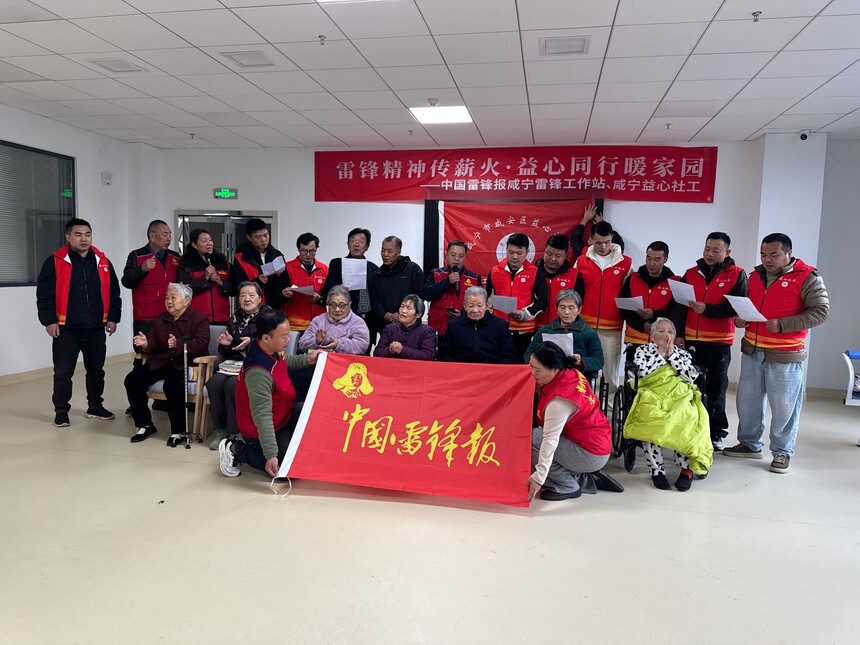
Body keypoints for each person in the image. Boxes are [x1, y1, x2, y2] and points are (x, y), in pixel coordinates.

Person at [724, 233, 829, 474]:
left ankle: (782, 451)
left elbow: (821, 312)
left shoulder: (808, 277)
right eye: (763, 254)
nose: (767, 260)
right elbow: (746, 306)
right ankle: (750, 444)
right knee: (747, 402)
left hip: (785, 354)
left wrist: (783, 324)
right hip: (752, 349)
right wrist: (740, 320)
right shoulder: (754, 276)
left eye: (774, 254)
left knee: (784, 407)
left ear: (788, 254)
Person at [36, 218, 122, 427]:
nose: (84, 239)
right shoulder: (55, 261)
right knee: (63, 373)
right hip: (66, 329)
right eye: (78, 235)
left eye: (87, 235)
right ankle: (61, 412)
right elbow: (44, 295)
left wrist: (113, 318)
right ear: (68, 237)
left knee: (96, 370)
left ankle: (95, 406)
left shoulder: (102, 261)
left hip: (96, 327)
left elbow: (114, 292)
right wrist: (49, 321)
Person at [218, 308, 320, 478]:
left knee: (310, 412)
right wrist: (271, 454)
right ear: (266, 338)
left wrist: (307, 359)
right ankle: (236, 449)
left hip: (282, 413)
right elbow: (262, 417)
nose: (288, 340)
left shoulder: (268, 348)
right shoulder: (258, 372)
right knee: (286, 469)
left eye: (288, 334)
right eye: (284, 336)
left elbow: (283, 362)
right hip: (262, 426)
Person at [672, 232, 748, 451]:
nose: (710, 253)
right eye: (707, 248)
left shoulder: (737, 274)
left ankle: (715, 433)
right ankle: (688, 428)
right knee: (688, 387)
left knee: (716, 389)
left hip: (718, 342)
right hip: (690, 340)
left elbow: (735, 306)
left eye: (716, 250)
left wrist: (708, 309)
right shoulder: (691, 273)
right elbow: (680, 306)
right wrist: (679, 334)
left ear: (727, 252)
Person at [623, 318, 713, 491]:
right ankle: (656, 471)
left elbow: (691, 376)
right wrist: (660, 354)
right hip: (651, 391)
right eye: (661, 331)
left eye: (670, 332)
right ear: (652, 335)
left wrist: (671, 356)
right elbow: (642, 373)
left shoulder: (682, 354)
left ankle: (686, 470)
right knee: (650, 416)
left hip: (678, 393)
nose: (666, 335)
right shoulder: (643, 350)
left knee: (686, 417)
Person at [527, 342, 623, 502]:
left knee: (532, 440)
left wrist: (539, 477)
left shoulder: (559, 401)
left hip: (589, 452)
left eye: (537, 370)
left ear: (554, 369)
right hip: (598, 440)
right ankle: (582, 475)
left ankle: (567, 484)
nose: (532, 373)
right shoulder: (571, 372)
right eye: (531, 367)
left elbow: (549, 441)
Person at [124, 283, 210, 446]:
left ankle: (179, 431)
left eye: (173, 297)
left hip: (184, 363)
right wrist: (146, 344)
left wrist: (178, 344)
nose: (169, 301)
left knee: (172, 385)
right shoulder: (160, 319)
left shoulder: (199, 319)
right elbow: (154, 343)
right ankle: (145, 425)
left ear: (186, 301)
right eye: (166, 298)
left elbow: (201, 344)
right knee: (132, 380)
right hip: (161, 362)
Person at [205, 281, 270, 450]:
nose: (247, 299)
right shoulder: (234, 318)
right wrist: (226, 344)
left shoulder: (268, 317)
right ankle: (220, 430)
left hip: (258, 365)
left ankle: (236, 432)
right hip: (234, 364)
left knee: (232, 385)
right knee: (213, 383)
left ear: (260, 298)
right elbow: (225, 351)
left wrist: (252, 342)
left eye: (251, 295)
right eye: (242, 295)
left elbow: (273, 345)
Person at [574, 220, 632, 407]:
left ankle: (609, 407)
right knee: (582, 367)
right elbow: (574, 293)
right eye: (598, 243)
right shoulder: (581, 260)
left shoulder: (625, 263)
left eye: (607, 242)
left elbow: (628, 294)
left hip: (612, 325)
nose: (603, 247)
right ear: (591, 239)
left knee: (610, 370)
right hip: (584, 325)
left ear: (612, 239)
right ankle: (583, 405)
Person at [485, 232, 548, 359]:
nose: (514, 257)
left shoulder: (536, 273)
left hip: (524, 331)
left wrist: (523, 314)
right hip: (498, 329)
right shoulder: (495, 271)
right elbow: (488, 299)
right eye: (511, 252)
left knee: (520, 364)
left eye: (519, 253)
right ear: (506, 250)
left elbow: (542, 302)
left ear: (527, 252)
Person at [121, 219, 181, 351]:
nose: (169, 238)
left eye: (170, 234)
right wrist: (142, 269)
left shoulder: (176, 257)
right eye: (165, 234)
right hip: (146, 318)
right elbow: (126, 281)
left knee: (169, 351)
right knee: (145, 351)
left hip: (170, 315)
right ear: (153, 236)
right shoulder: (137, 255)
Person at [524, 289, 603, 377]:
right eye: (562, 307)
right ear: (557, 309)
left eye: (571, 308)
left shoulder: (589, 333)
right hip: (549, 377)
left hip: (577, 377)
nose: (566, 312)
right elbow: (528, 355)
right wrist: (541, 361)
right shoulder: (544, 331)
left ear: (579, 310)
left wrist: (581, 361)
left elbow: (598, 360)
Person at [321, 227, 378, 346]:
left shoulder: (374, 268)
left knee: (363, 353)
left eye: (361, 241)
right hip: (343, 319)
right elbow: (326, 288)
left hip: (367, 320)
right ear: (348, 244)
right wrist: (338, 287)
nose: (356, 244)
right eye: (353, 240)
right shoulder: (337, 263)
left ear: (367, 246)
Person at [620, 241, 675, 360]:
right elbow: (624, 308)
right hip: (634, 340)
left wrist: (654, 315)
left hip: (660, 343)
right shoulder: (633, 278)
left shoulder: (673, 282)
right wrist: (642, 325)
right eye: (648, 258)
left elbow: (674, 312)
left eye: (657, 259)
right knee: (632, 372)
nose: (651, 263)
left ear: (665, 259)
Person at [437, 286, 517, 364]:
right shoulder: (454, 325)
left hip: (491, 370)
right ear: (465, 306)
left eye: (479, 306)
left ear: (487, 305)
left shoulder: (500, 326)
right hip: (461, 369)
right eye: (471, 306)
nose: (475, 310)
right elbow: (444, 355)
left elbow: (509, 357)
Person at [422, 240, 482, 336]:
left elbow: (480, 305)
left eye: (461, 256)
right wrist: (447, 281)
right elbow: (426, 295)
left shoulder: (474, 278)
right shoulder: (436, 274)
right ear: (447, 255)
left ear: (465, 257)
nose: (456, 259)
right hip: (438, 329)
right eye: (453, 255)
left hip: (464, 328)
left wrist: (462, 313)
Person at [370, 235, 425, 338]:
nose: (385, 254)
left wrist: (401, 314)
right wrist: (385, 315)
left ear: (399, 252)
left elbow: (419, 296)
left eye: (390, 251)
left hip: (410, 327)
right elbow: (375, 299)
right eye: (383, 250)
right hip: (386, 327)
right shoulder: (378, 274)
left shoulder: (412, 269)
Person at [177, 228, 232, 324]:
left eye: (210, 240)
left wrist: (221, 282)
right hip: (196, 319)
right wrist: (205, 278)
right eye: (204, 241)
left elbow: (233, 288)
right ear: (194, 245)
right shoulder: (186, 262)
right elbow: (183, 290)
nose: (209, 243)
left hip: (222, 318)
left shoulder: (222, 261)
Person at [298, 285, 370, 355]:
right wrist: (316, 341)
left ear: (349, 305)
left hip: (347, 362)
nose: (337, 309)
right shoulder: (318, 320)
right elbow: (302, 344)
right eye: (333, 305)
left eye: (342, 305)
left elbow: (362, 346)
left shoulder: (358, 322)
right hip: (319, 360)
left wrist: (338, 344)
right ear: (328, 305)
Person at [279, 232, 328, 333]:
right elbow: (277, 294)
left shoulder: (324, 269)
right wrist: (284, 295)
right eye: (304, 251)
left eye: (312, 251)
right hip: (295, 324)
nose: (308, 254)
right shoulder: (287, 268)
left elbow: (330, 295)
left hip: (319, 324)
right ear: (298, 249)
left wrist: (320, 298)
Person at [229, 218, 285, 306]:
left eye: (266, 235)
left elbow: (284, 279)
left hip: (275, 307)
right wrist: (257, 282)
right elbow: (237, 286)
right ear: (249, 238)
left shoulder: (277, 255)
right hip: (252, 306)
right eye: (258, 237)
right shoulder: (241, 259)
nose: (263, 239)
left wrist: (284, 293)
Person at [533, 234, 583, 329]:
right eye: (549, 254)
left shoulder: (574, 276)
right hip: (534, 328)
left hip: (563, 329)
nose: (553, 259)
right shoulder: (533, 273)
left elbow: (579, 304)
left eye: (558, 256)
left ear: (565, 255)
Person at [373, 294, 436, 361]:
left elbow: (428, 355)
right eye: (402, 306)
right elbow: (377, 352)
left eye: (408, 308)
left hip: (415, 367)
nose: (403, 311)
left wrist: (403, 350)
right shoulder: (390, 329)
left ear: (418, 315)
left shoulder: (427, 331)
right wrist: (389, 350)